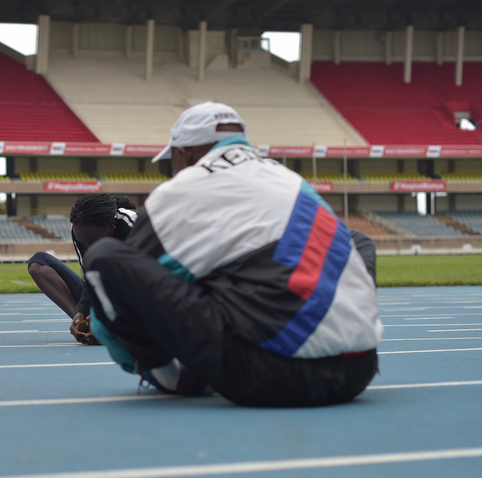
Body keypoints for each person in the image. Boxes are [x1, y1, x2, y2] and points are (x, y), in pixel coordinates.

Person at [82, 102, 383, 407]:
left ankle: (169, 376)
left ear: (183, 154)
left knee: (104, 257)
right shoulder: (291, 181)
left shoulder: (181, 190)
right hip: (359, 370)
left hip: (270, 374)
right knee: (353, 241)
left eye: (170, 162)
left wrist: (134, 359)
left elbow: (116, 301)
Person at [27, 194, 136, 344]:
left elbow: (146, 283)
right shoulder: (81, 228)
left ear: (111, 225)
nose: (89, 248)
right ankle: (88, 327)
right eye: (84, 242)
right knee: (38, 263)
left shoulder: (133, 224)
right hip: (106, 298)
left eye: (92, 242)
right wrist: (80, 312)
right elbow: (90, 280)